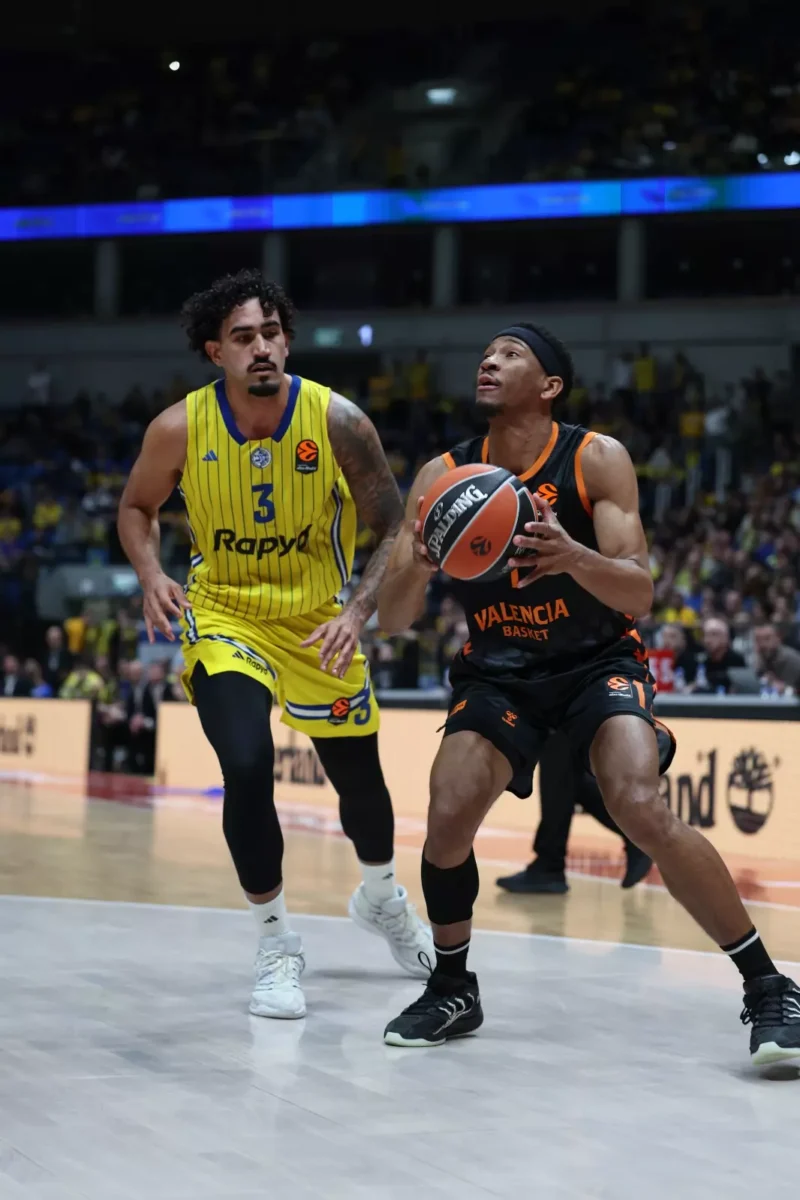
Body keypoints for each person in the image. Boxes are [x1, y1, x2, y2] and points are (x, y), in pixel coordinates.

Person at [377, 321, 800, 1061]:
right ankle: (452, 988)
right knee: (446, 815)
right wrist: (416, 562)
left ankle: (769, 986)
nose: (489, 361)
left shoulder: (594, 458)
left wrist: (572, 556)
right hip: (500, 669)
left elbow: (639, 592)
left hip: (596, 660)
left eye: (510, 354)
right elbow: (393, 619)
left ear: (550, 386)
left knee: (638, 803)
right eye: (486, 353)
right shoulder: (443, 476)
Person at [118, 268, 432, 1021]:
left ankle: (382, 897)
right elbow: (136, 506)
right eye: (243, 337)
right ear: (214, 351)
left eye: (271, 333)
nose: (261, 347)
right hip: (225, 614)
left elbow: (393, 526)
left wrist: (357, 612)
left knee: (362, 787)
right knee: (247, 764)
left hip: (318, 618)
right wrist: (152, 573)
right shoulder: (178, 428)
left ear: (286, 340)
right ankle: (275, 944)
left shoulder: (339, 420)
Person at [496, 729, 652, 894]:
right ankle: (549, 866)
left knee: (558, 776)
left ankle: (549, 866)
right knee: (568, 781)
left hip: (560, 718)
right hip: (565, 719)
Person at [694, 617, 746, 693]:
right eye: (705, 635)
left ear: (726, 638)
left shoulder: (736, 661)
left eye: (714, 634)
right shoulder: (701, 661)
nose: (707, 640)